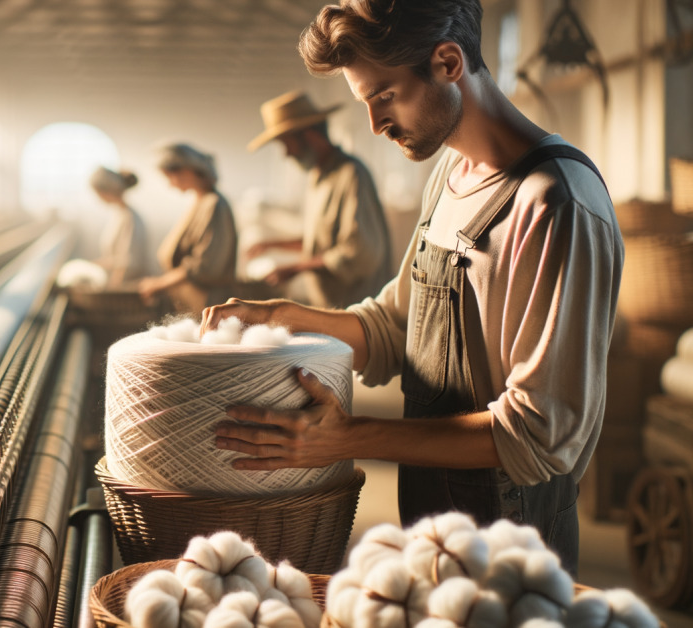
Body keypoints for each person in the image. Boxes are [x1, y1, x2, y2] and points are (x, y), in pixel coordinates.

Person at [202, 0, 623, 575]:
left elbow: (538, 432)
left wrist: (348, 437)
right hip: (434, 506)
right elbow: (394, 327)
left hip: (510, 527)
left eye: (384, 97)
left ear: (448, 62)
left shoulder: (553, 203)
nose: (375, 124)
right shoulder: (448, 177)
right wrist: (287, 317)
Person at [246, 90, 392, 308]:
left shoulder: (351, 174)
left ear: (310, 136)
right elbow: (322, 242)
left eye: (287, 144)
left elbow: (358, 251)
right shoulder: (319, 178)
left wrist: (295, 269)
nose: (287, 154)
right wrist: (272, 245)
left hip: (357, 309)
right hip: (331, 306)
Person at [139, 143, 238, 315]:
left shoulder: (214, 205)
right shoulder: (199, 202)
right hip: (192, 303)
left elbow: (206, 265)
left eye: (171, 177)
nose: (170, 184)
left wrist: (160, 283)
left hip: (208, 303)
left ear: (187, 171)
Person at [90, 166, 149, 286]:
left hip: (127, 287)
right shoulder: (119, 215)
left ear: (106, 191)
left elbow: (128, 262)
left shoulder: (129, 219)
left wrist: (112, 289)